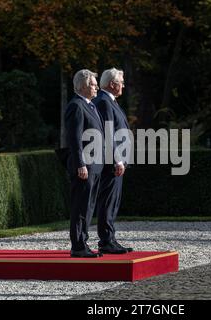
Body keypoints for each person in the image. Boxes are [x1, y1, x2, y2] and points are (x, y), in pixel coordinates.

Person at [92, 68, 133, 254]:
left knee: (112, 201)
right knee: (108, 201)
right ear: (112, 84)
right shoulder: (104, 101)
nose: (123, 85)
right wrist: (117, 160)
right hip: (111, 162)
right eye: (121, 82)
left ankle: (110, 238)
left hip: (116, 161)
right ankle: (106, 241)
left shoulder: (109, 101)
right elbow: (108, 134)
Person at [65, 69, 104, 258]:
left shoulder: (89, 105)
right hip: (84, 166)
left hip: (93, 165)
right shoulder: (76, 106)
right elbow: (74, 138)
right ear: (82, 86)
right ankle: (78, 246)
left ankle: (83, 242)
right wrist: (80, 164)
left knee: (88, 207)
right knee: (81, 206)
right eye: (92, 84)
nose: (96, 86)